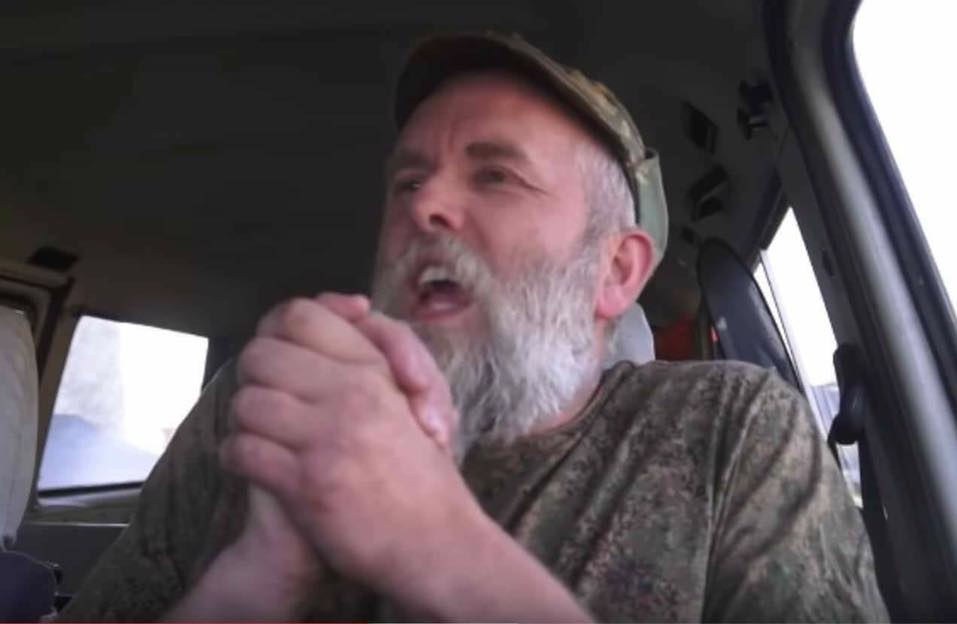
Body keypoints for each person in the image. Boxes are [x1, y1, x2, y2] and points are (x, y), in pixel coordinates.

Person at [60, 32, 887, 622]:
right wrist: (247, 591)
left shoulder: (730, 430)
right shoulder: (265, 404)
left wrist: (438, 551)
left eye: (496, 175)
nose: (423, 203)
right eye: (406, 181)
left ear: (616, 271)